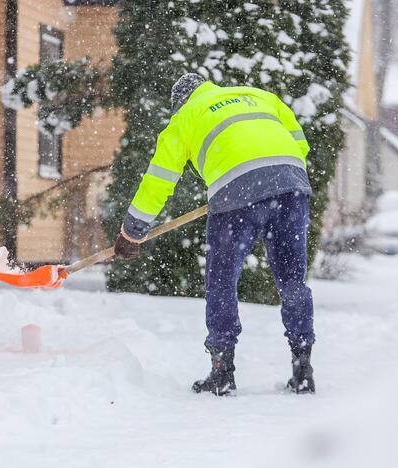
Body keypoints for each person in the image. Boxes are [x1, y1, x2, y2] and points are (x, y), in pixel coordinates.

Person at [113, 73, 315, 396]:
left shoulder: (186, 117)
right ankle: (303, 368)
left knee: (222, 279)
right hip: (291, 186)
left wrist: (131, 232)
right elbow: (298, 142)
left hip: (236, 192)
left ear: (179, 104)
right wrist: (272, 178)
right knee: (293, 281)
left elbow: (159, 179)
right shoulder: (258, 95)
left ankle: (222, 372)